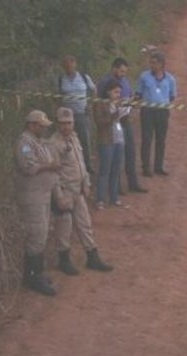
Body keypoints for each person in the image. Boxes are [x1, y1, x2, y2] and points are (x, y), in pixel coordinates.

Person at [49, 107, 114, 275]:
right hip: (65, 191)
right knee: (64, 228)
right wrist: (58, 196)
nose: (66, 126)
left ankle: (92, 257)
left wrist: (86, 182)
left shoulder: (74, 138)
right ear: (57, 124)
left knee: (85, 224)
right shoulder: (54, 144)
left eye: (69, 123)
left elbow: (81, 163)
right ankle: (64, 260)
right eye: (62, 123)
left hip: (78, 190)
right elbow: (53, 173)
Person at [13, 110, 61, 296]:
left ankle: (37, 273)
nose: (44, 129)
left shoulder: (37, 142)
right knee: (36, 234)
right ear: (32, 125)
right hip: (32, 195)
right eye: (41, 126)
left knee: (42, 232)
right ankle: (32, 277)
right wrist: (50, 166)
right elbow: (28, 167)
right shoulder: (24, 143)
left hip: (42, 193)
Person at [97, 57, 149, 194]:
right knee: (117, 156)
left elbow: (129, 96)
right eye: (121, 71)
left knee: (130, 152)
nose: (123, 74)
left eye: (125, 72)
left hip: (125, 120)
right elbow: (100, 103)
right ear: (114, 68)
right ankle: (116, 187)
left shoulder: (125, 82)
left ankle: (133, 183)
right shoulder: (105, 83)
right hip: (112, 122)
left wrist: (133, 101)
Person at [135, 50, 177, 176]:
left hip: (163, 111)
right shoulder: (144, 77)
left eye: (154, 63)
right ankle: (146, 167)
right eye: (151, 63)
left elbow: (172, 96)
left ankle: (158, 166)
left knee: (161, 139)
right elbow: (138, 93)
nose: (152, 65)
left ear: (162, 64)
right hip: (147, 110)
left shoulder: (170, 79)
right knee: (147, 139)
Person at [57, 55, 96, 176]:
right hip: (67, 116)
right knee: (67, 141)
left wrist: (90, 104)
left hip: (81, 113)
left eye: (70, 65)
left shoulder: (83, 77)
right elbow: (57, 95)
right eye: (66, 66)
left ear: (75, 64)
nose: (68, 68)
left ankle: (87, 166)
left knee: (84, 140)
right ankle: (70, 167)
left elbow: (94, 89)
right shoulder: (61, 79)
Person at [93, 79, 128, 209]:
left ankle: (114, 197)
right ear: (108, 92)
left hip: (119, 139)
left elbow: (122, 119)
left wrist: (124, 112)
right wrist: (113, 116)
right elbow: (99, 122)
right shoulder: (100, 104)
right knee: (104, 170)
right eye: (116, 92)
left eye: (119, 92)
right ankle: (100, 199)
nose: (118, 95)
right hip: (106, 140)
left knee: (116, 170)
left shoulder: (118, 104)